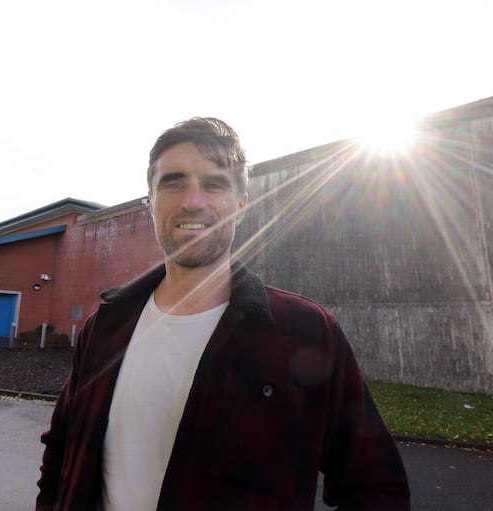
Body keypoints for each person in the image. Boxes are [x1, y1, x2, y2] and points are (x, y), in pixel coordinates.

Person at [36, 117, 410, 510]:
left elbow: (377, 488)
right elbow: (60, 451)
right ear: (151, 200)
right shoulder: (105, 327)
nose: (193, 201)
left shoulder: (308, 332)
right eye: (173, 182)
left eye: (214, 184)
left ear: (241, 205)